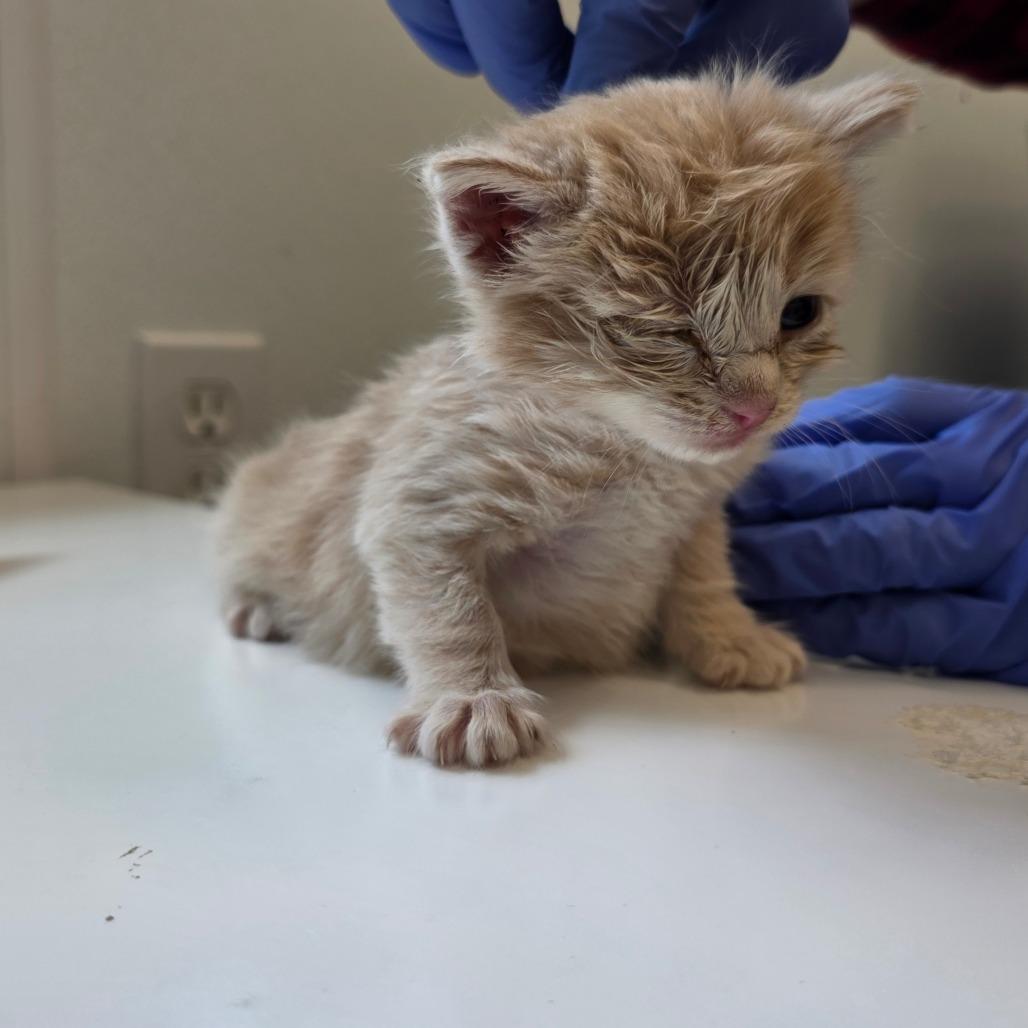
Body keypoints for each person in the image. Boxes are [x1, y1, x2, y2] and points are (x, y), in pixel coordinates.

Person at [388, 0, 1028, 685]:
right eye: (665, 333)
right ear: (500, 233)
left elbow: (686, 514)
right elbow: (415, 534)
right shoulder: (494, 418)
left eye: (798, 314)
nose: (759, 398)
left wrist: (707, 613)